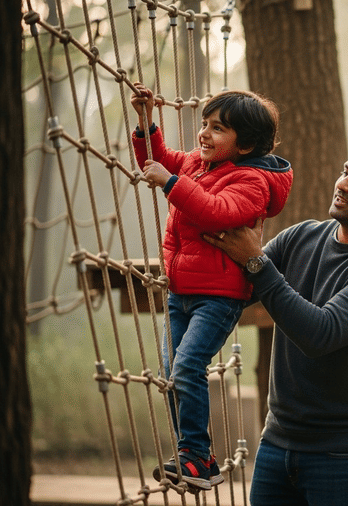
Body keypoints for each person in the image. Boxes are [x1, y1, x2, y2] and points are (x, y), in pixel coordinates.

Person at [203, 133, 348, 506]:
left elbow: (320, 333)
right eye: (346, 172)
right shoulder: (300, 238)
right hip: (276, 442)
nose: (343, 184)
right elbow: (237, 287)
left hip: (345, 454)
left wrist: (256, 262)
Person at [130, 83, 294, 490]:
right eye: (204, 124)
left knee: (187, 366)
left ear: (246, 144)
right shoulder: (197, 166)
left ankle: (195, 458)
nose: (204, 133)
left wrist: (171, 183)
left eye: (218, 128)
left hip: (218, 297)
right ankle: (196, 456)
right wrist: (146, 121)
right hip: (179, 291)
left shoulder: (253, 181)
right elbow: (159, 159)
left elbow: (217, 213)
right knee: (172, 372)